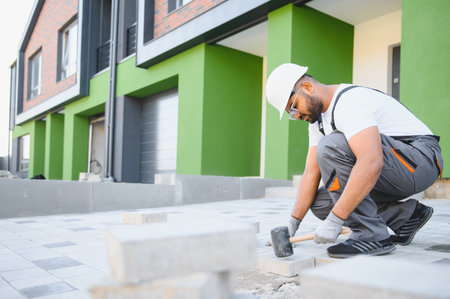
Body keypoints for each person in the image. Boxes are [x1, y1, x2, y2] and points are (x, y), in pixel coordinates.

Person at [265, 63, 443, 258]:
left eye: (294, 107)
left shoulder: (348, 102)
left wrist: (336, 219)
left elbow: (371, 162)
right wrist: (293, 223)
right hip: (397, 164)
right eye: (292, 114)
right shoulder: (317, 122)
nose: (296, 115)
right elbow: (311, 173)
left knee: (331, 146)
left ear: (307, 87)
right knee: (321, 202)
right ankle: (406, 216)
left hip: (419, 159)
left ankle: (371, 236)